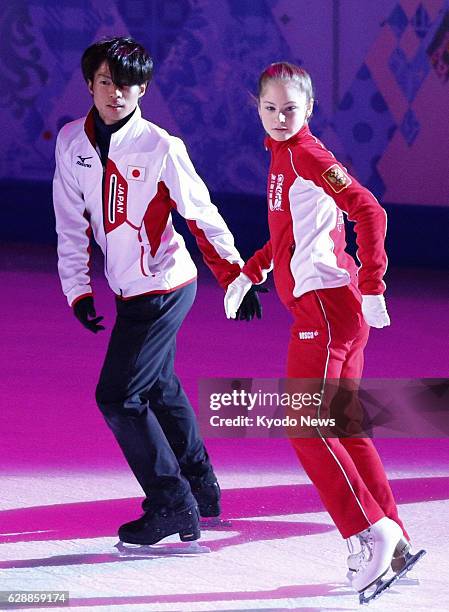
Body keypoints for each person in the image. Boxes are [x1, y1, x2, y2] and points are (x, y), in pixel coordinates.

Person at [53, 36, 261, 547]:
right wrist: (78, 289)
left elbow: (201, 214)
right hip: (126, 288)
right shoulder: (70, 144)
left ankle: (171, 504)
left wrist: (236, 274)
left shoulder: (162, 147)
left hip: (164, 287)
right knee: (160, 386)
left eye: (126, 84)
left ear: (143, 88)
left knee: (120, 397)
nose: (115, 93)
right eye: (106, 82)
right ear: (90, 84)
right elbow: (69, 220)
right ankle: (200, 486)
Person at [224, 62, 423, 598]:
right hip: (329, 309)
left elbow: (369, 210)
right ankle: (395, 536)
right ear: (258, 107)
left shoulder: (307, 154)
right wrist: (252, 270)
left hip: (328, 312)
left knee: (307, 426)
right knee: (343, 426)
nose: (281, 117)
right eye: (271, 108)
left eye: (291, 109)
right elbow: (290, 234)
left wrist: (376, 282)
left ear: (308, 109)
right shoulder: (281, 158)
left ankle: (369, 532)